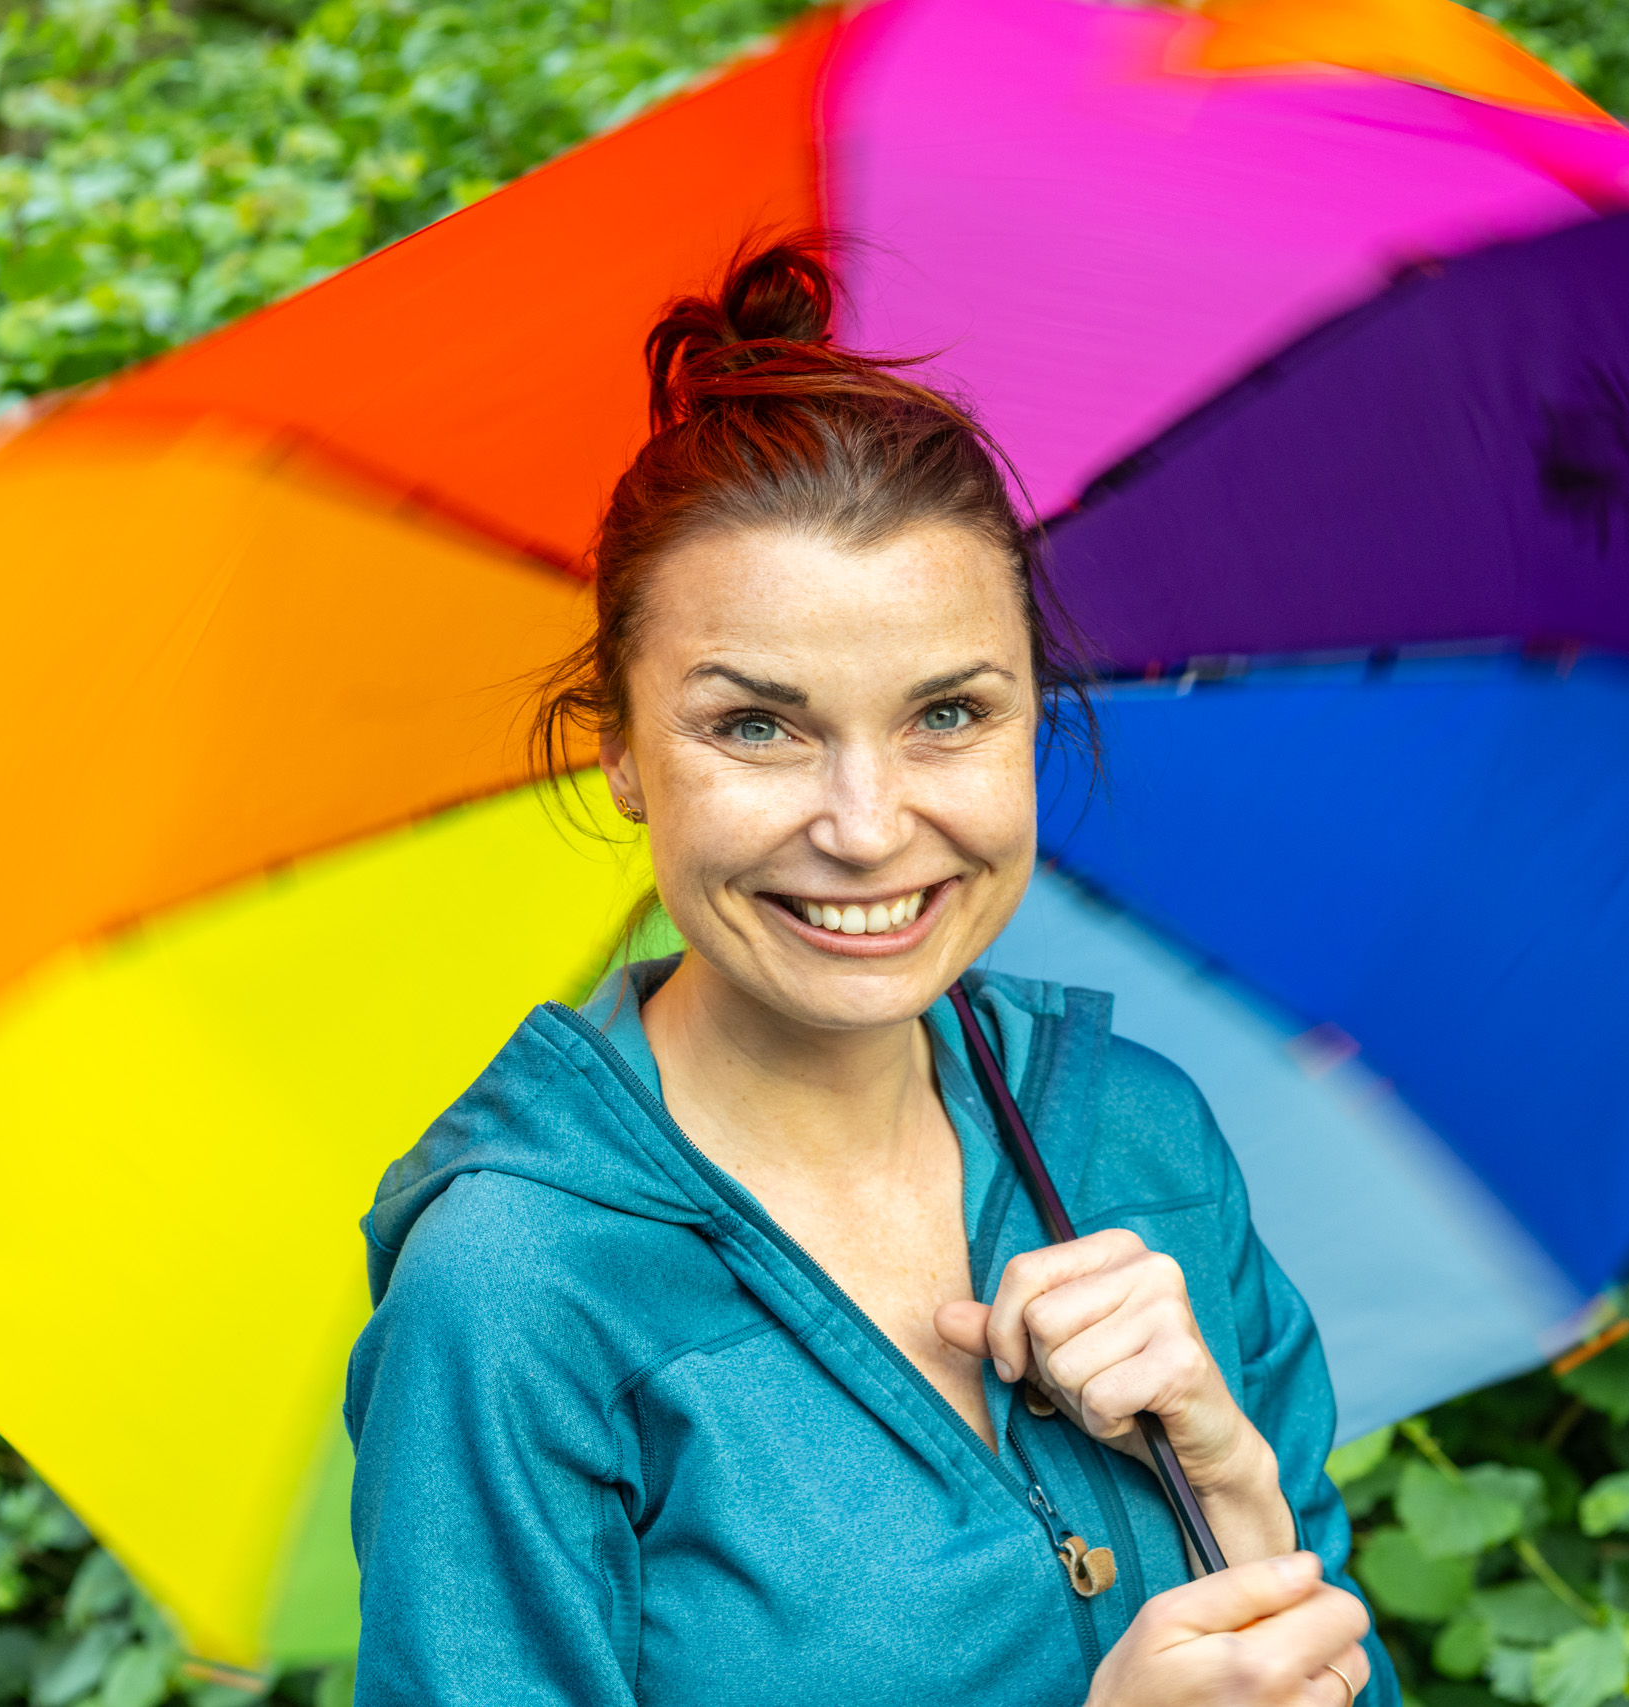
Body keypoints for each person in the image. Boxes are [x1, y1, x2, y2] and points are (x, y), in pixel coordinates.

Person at [345, 239, 1396, 1707]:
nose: (865, 827)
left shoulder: (1142, 1141)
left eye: (949, 715)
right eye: (759, 729)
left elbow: (1343, 1670)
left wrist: (1240, 1496)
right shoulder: (519, 1291)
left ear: (1038, 713)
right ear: (623, 752)